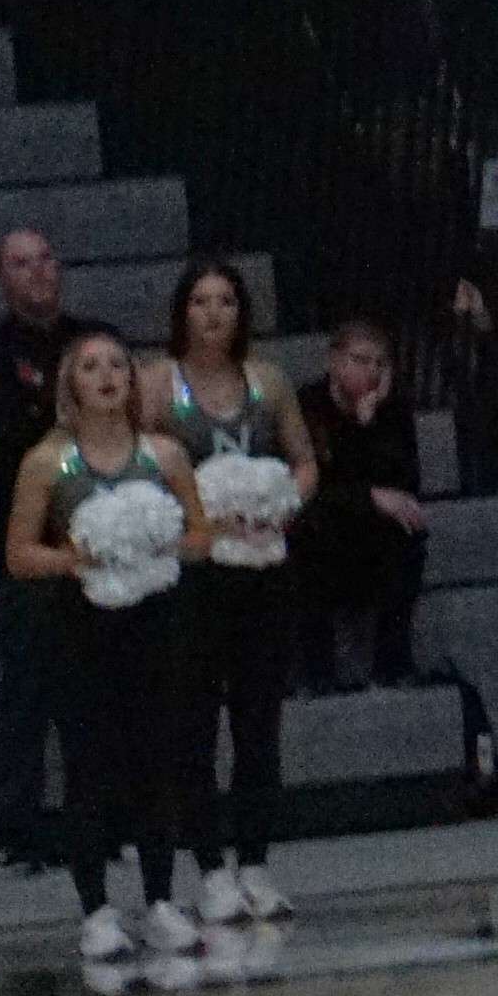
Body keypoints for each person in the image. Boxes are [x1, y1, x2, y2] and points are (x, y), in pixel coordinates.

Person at [5, 319, 203, 966]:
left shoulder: (164, 456)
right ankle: (95, 910)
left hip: (156, 621)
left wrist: (156, 542)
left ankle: (162, 900)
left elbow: (200, 537)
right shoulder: (47, 462)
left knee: (157, 760)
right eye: (90, 367)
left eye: (117, 364)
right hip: (80, 625)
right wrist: (78, 558)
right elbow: (18, 555)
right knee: (87, 766)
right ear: (70, 386)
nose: (107, 376)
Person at [146, 256, 314, 926]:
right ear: (181, 312)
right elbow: (134, 464)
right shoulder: (160, 384)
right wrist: (193, 516)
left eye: (226, 302)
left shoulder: (266, 382)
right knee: (194, 726)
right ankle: (209, 869)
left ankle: (256, 864)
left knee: (258, 727)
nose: (213, 313)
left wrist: (282, 505)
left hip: (260, 570)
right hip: (193, 577)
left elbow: (304, 461)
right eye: (200, 301)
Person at [0, 227, 78, 873]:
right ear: (1, 279)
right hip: (27, 541)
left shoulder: (95, 340)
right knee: (27, 688)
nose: (36, 272)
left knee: (102, 684)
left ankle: (108, 819)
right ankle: (21, 831)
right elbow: (11, 439)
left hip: (98, 531)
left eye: (43, 259)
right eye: (19, 264)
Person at [284, 314, 427, 691]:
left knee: (409, 531)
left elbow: (407, 483)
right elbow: (311, 485)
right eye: (361, 360)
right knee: (308, 531)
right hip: (324, 525)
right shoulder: (307, 406)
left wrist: (369, 427)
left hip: (373, 534)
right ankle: (317, 670)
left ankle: (392, 662)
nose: (372, 371)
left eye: (380, 363)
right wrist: (368, 497)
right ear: (335, 361)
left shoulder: (393, 412)